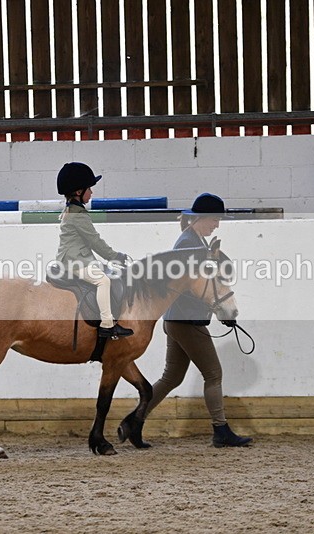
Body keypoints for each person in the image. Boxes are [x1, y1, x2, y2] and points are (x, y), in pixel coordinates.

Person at [142, 193, 252, 447]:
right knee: (213, 374)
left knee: (171, 378)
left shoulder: (195, 242)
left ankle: (135, 419)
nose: (217, 224)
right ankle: (221, 431)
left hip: (178, 321)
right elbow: (188, 288)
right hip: (187, 321)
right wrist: (218, 309)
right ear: (201, 218)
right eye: (215, 219)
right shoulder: (188, 245)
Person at [56, 162, 134, 339]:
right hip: (75, 261)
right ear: (78, 192)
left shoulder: (72, 210)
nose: (92, 192)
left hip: (76, 257)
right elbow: (95, 241)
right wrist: (115, 256)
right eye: (89, 189)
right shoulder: (78, 215)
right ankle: (107, 325)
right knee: (103, 281)